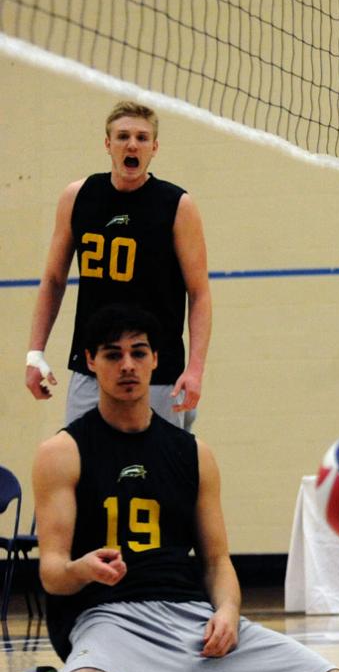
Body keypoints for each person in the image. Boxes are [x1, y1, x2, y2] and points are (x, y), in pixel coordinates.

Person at [19, 304, 339, 672]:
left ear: (156, 359)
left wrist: (226, 611)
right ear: (90, 361)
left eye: (138, 352)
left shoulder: (194, 454)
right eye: (112, 355)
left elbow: (216, 560)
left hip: (195, 623)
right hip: (112, 621)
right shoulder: (61, 451)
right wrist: (84, 569)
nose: (127, 365)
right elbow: (51, 571)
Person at [25, 101, 211, 429]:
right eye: (123, 136)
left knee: (158, 475)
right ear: (107, 144)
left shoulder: (177, 205)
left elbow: (199, 293)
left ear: (154, 147)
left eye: (142, 137)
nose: (132, 144)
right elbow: (54, 280)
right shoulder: (77, 196)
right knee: (83, 468)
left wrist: (195, 369)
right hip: (93, 365)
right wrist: (34, 354)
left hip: (158, 370)